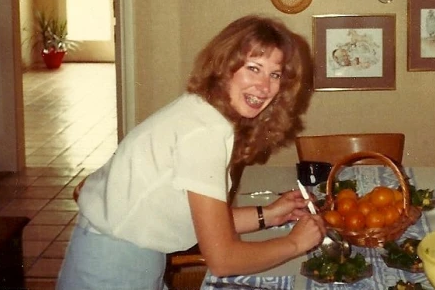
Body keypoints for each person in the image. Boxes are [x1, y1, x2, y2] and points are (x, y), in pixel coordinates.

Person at [57, 15, 325, 290]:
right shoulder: (204, 132)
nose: (264, 86)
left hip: (121, 252)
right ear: (225, 66)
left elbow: (202, 220)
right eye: (253, 68)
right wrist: (294, 243)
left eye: (275, 74)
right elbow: (222, 259)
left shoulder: (203, 113)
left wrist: (268, 214)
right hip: (111, 267)